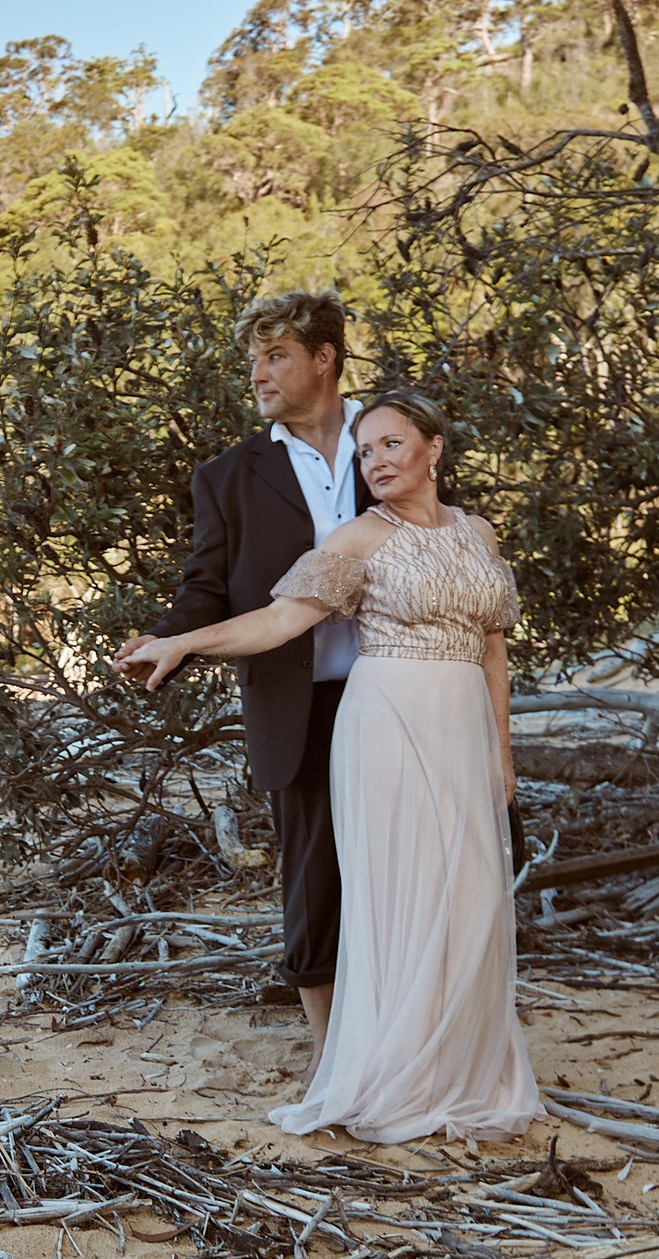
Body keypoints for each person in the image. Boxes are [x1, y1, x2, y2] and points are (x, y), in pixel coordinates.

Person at [118, 391, 541, 1143]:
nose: (375, 461)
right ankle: (395, 1071)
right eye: (365, 451)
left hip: (463, 726)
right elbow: (279, 620)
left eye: (391, 444)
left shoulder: (477, 532)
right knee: (406, 893)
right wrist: (182, 642)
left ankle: (463, 1068)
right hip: (388, 725)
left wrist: (501, 754)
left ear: (434, 448)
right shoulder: (359, 538)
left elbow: (493, 649)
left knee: (469, 893)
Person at [115, 290, 370, 1071]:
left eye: (275, 356)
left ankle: (403, 1034)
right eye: (254, 359)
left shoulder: (388, 439)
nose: (258, 373)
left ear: (324, 358)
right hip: (298, 703)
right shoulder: (228, 476)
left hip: (400, 690)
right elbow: (208, 585)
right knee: (315, 878)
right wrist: (170, 638)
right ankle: (330, 1054)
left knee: (406, 860)